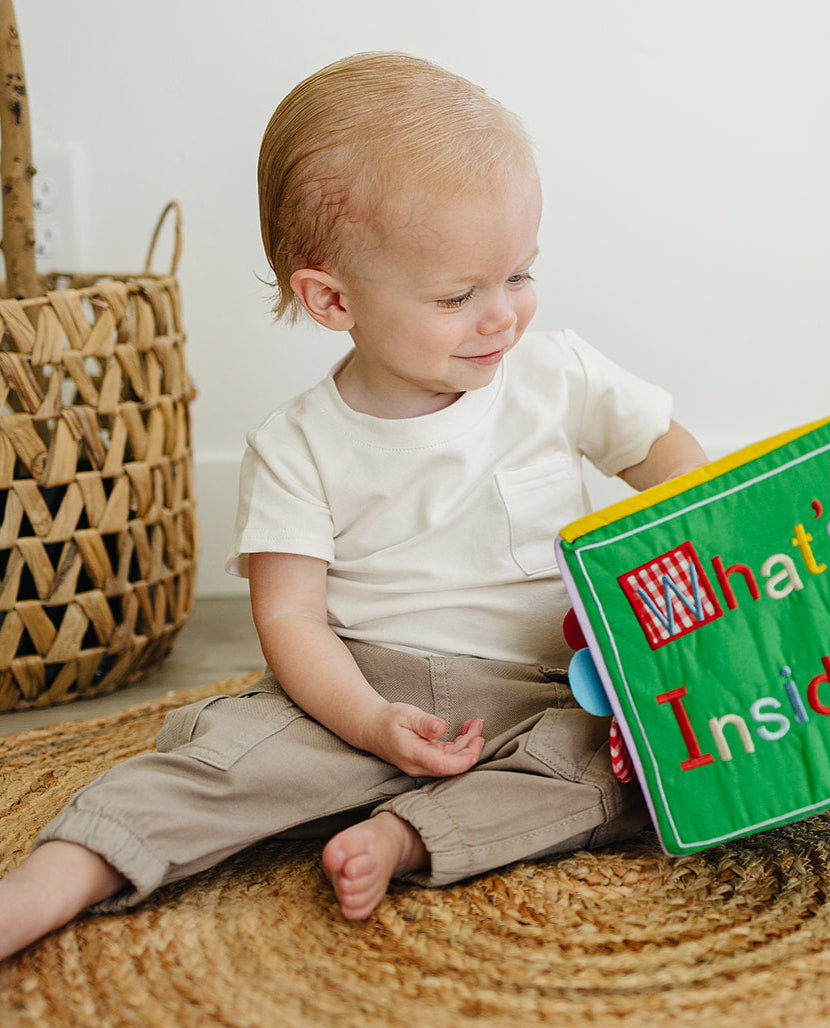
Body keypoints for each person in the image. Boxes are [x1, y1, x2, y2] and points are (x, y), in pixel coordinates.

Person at [0, 52, 708, 960]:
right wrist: (368, 720)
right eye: (458, 295)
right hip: (359, 688)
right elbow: (290, 619)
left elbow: (671, 463)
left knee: (628, 762)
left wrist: (707, 555)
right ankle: (54, 879)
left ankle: (409, 835)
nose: (502, 316)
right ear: (332, 299)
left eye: (519, 275)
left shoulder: (556, 375)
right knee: (222, 761)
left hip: (545, 688)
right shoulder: (298, 444)